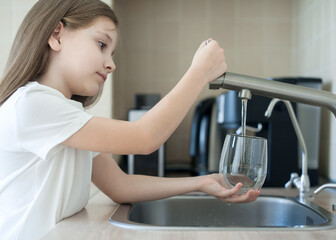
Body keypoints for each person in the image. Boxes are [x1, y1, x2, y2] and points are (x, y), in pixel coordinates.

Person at [0, 0, 260, 239]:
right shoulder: (32, 104)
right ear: (57, 35)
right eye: (102, 45)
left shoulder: (65, 117)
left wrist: (202, 183)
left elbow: (121, 186)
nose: (111, 64)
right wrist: (198, 74)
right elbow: (144, 138)